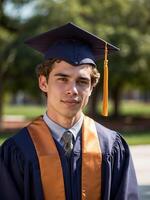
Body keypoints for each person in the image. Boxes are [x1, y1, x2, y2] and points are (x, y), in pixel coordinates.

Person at [0, 23, 139, 200]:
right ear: (43, 83)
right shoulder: (17, 150)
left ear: (92, 88)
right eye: (62, 79)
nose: (72, 90)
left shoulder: (112, 147)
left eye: (82, 81)